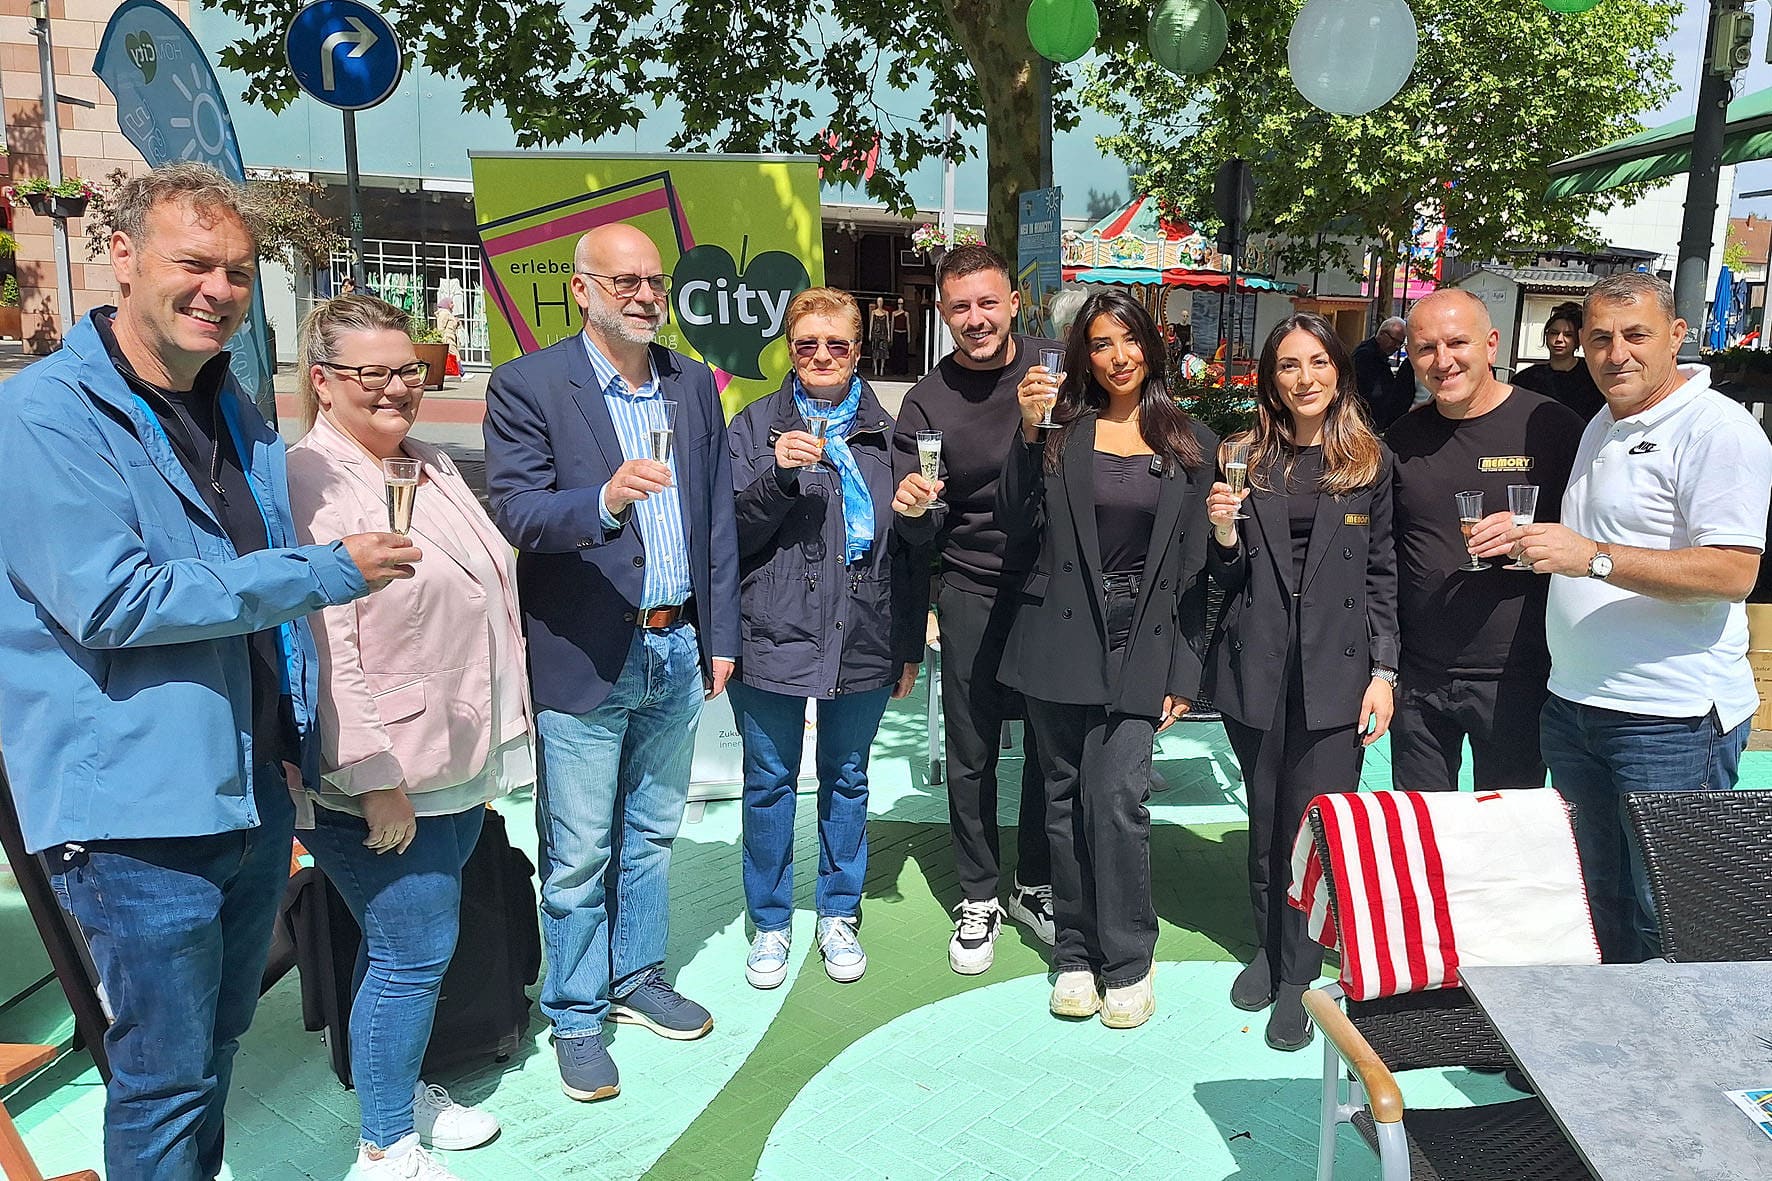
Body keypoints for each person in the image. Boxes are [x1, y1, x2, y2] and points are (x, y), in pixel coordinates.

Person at [0, 163, 417, 1181]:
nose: (218, 289)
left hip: (248, 789)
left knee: (215, 1051)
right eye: (194, 263)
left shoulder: (230, 404)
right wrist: (325, 570)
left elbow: (253, 593)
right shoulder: (43, 413)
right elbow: (114, 599)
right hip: (136, 814)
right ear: (122, 256)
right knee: (163, 1079)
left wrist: (294, 741)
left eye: (237, 269)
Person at [483, 223, 738, 1102]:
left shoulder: (691, 384)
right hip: (585, 649)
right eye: (623, 281)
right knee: (580, 850)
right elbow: (517, 511)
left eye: (654, 281)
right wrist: (602, 499)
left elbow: (715, 519)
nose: (643, 296)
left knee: (654, 832)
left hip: (676, 643)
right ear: (581, 290)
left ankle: (635, 976)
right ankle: (577, 1014)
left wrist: (720, 636)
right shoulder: (528, 384)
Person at [287, 295, 534, 1180]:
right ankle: (385, 1144)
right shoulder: (310, 478)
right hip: (386, 772)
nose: (397, 387)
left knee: (409, 949)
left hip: (452, 757)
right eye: (373, 373)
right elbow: (323, 643)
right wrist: (372, 773)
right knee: (410, 952)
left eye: (410, 370)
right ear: (323, 381)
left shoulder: (425, 461)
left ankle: (400, 1092)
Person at [1471, 272, 1772, 963]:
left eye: (1636, 335)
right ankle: (1608, 1027)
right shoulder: (1604, 422)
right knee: (1596, 897)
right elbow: (1601, 537)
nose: (1617, 353)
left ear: (1676, 335)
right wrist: (1532, 538)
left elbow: (1732, 572)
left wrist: (1592, 558)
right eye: (1601, 338)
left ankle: (1682, 1036)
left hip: (1670, 720)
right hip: (1577, 706)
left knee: (1672, 916)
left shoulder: (1717, 430)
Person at [995, 288, 1214, 1029]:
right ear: (1083, 356)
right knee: (1061, 798)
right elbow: (1013, 522)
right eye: (1100, 344)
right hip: (1061, 634)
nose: (1118, 357)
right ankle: (1074, 954)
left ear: (1152, 346)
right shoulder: (1059, 430)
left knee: (1118, 798)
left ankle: (1128, 958)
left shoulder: (1189, 441)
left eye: (1129, 340)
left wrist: (1185, 669)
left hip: (1143, 633)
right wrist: (1026, 433)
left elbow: (1196, 569)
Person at [1203, 313, 1398, 1051]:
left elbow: (1382, 575)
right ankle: (1268, 946)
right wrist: (1223, 533)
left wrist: (1384, 671)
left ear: (1339, 372)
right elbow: (1221, 577)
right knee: (1264, 820)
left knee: (1313, 829)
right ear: (1270, 379)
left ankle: (1300, 974)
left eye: (1318, 362)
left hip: (1336, 669)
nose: (1305, 377)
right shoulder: (1244, 456)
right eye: (1289, 364)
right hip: (1256, 664)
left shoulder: (1368, 460)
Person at [726, 287, 927, 988]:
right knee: (769, 780)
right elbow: (728, 533)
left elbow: (911, 548)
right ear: (789, 348)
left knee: (847, 776)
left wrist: (907, 643)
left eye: (836, 343)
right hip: (771, 630)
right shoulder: (753, 427)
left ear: (858, 351)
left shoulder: (890, 434)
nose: (821, 355)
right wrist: (778, 476)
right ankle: (771, 920)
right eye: (806, 343)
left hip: (864, 629)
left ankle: (838, 912)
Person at [891, 243, 1058, 974]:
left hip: (1054, 589)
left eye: (988, 302)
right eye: (960, 306)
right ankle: (980, 895)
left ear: (1014, 303)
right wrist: (911, 509)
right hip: (971, 587)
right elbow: (919, 526)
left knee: (1052, 747)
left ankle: (1035, 882)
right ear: (942, 312)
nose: (976, 318)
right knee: (972, 752)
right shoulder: (927, 400)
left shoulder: (1055, 370)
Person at [1384, 289, 1585, 792]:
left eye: (1457, 343)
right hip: (1419, 677)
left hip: (1518, 675)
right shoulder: (1401, 439)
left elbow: (1596, 535)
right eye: (1426, 348)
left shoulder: (1551, 427)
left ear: (1491, 344)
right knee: (1425, 825)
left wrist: (1535, 537)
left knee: (1508, 827)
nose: (1443, 361)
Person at [1510, 301, 1605, 422]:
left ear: (1579, 339)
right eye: (1554, 333)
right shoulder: (1526, 379)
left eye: (1568, 335)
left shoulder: (1593, 376)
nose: (1559, 339)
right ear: (1546, 336)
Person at [1350, 316, 1415, 429]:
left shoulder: (1378, 355)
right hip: (1365, 420)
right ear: (1381, 334)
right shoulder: (1366, 356)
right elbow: (1373, 394)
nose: (1396, 347)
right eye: (1394, 340)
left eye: (1400, 343)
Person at [434, 294, 463, 378]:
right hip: (447, 338)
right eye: (451, 303)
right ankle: (462, 372)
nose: (453, 305)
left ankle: (457, 372)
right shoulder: (444, 313)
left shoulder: (448, 313)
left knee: (452, 355)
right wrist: (442, 338)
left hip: (451, 337)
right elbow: (441, 327)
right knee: (455, 354)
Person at [868, 296, 892, 377]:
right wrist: (870, 333)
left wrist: (889, 335)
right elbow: (871, 323)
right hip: (875, 333)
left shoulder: (886, 313)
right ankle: (875, 368)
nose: (880, 303)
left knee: (883, 351)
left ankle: (882, 368)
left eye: (881, 301)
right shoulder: (873, 312)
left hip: (883, 333)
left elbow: (887, 324)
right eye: (878, 301)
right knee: (875, 350)